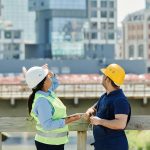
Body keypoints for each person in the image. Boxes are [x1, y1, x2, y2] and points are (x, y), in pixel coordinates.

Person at [24, 64, 80, 150]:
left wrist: (50, 74)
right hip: (47, 144)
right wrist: (69, 120)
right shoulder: (42, 101)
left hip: (54, 143)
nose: (50, 77)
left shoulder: (48, 93)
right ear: (44, 82)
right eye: (48, 76)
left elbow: (55, 83)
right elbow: (47, 125)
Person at [84, 64, 131, 150]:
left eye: (104, 75)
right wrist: (90, 111)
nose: (102, 77)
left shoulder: (120, 100)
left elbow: (120, 124)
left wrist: (100, 121)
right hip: (102, 146)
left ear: (108, 79)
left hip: (115, 146)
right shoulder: (105, 96)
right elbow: (94, 108)